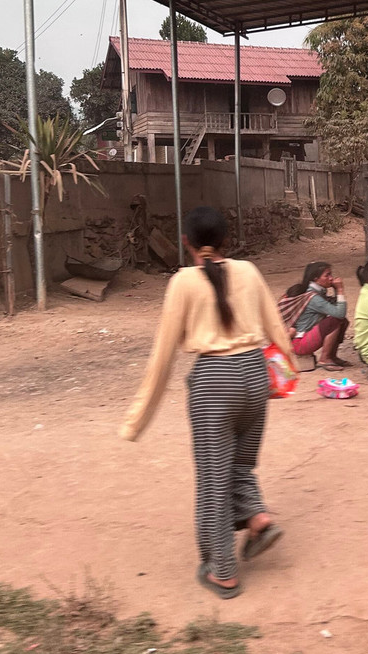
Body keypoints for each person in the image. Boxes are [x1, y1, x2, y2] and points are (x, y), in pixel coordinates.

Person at [121, 206, 293, 600]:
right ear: (228, 240)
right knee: (239, 464)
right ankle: (258, 519)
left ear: (186, 242)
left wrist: (136, 420)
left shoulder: (183, 282)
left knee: (214, 479)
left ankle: (223, 572)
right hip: (255, 377)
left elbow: (163, 355)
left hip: (215, 383)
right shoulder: (248, 271)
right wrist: (288, 374)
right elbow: (275, 329)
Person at [284, 261, 352, 371]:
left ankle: (332, 356)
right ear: (316, 279)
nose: (331, 278)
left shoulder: (317, 293)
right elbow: (339, 313)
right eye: (327, 275)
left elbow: (337, 309)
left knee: (342, 321)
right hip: (300, 343)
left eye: (331, 274)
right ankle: (325, 358)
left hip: (305, 339)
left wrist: (336, 291)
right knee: (334, 320)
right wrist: (340, 290)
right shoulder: (313, 297)